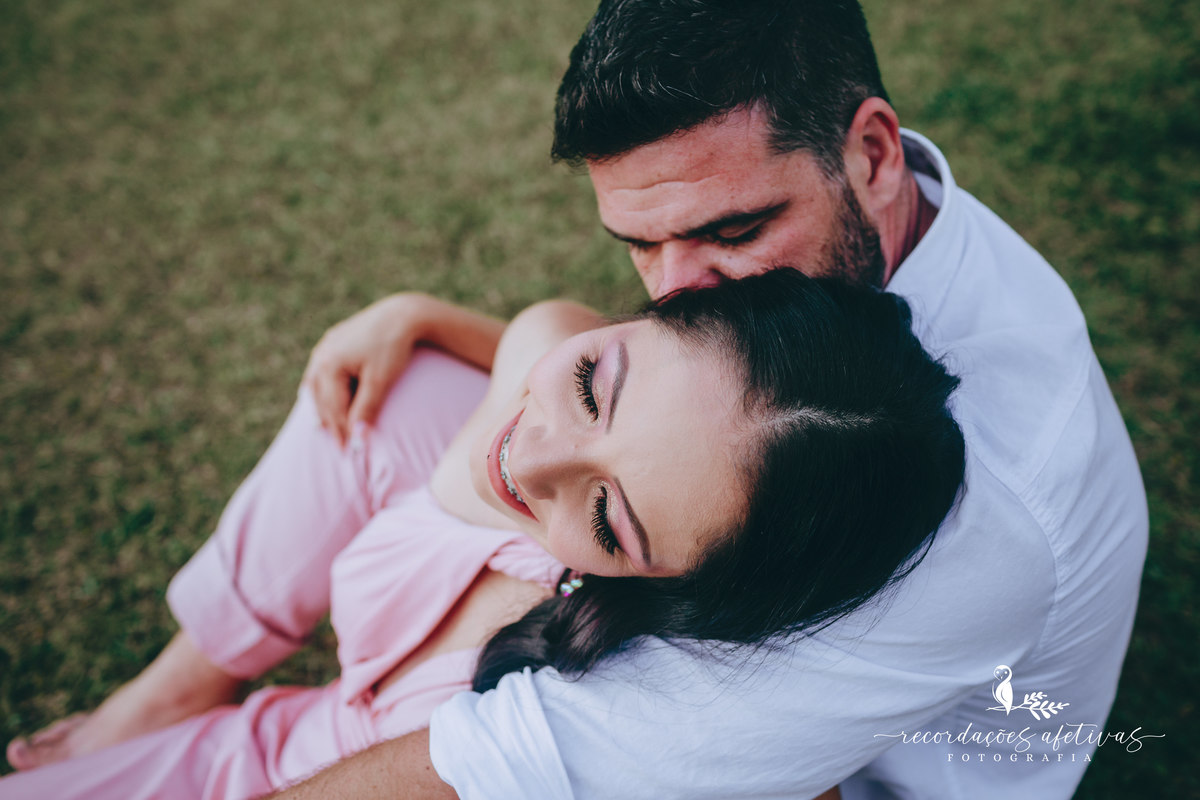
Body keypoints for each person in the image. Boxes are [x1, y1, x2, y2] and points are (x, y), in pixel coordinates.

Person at [269, 2, 1148, 798]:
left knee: (499, 625)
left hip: (831, 776)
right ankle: (190, 679)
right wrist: (436, 319)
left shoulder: (969, 503)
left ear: (873, 152)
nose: (676, 299)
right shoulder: (879, 221)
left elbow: (511, 764)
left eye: (730, 232)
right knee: (408, 393)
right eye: (639, 245)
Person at [2, 270, 966, 800]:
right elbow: (545, 336)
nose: (530, 465)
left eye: (608, 515)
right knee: (406, 385)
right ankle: (174, 689)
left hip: (306, 774)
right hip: (293, 716)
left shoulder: (623, 728)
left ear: (685, 586)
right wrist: (417, 314)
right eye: (594, 384)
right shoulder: (554, 350)